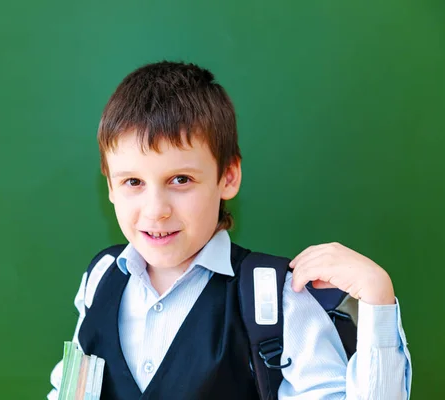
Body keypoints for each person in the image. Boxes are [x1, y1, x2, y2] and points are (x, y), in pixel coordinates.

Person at [47, 61, 412, 399]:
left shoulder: (278, 300)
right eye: (132, 182)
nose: (156, 211)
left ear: (228, 176)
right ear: (109, 185)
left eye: (180, 179)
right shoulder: (100, 279)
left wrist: (378, 301)